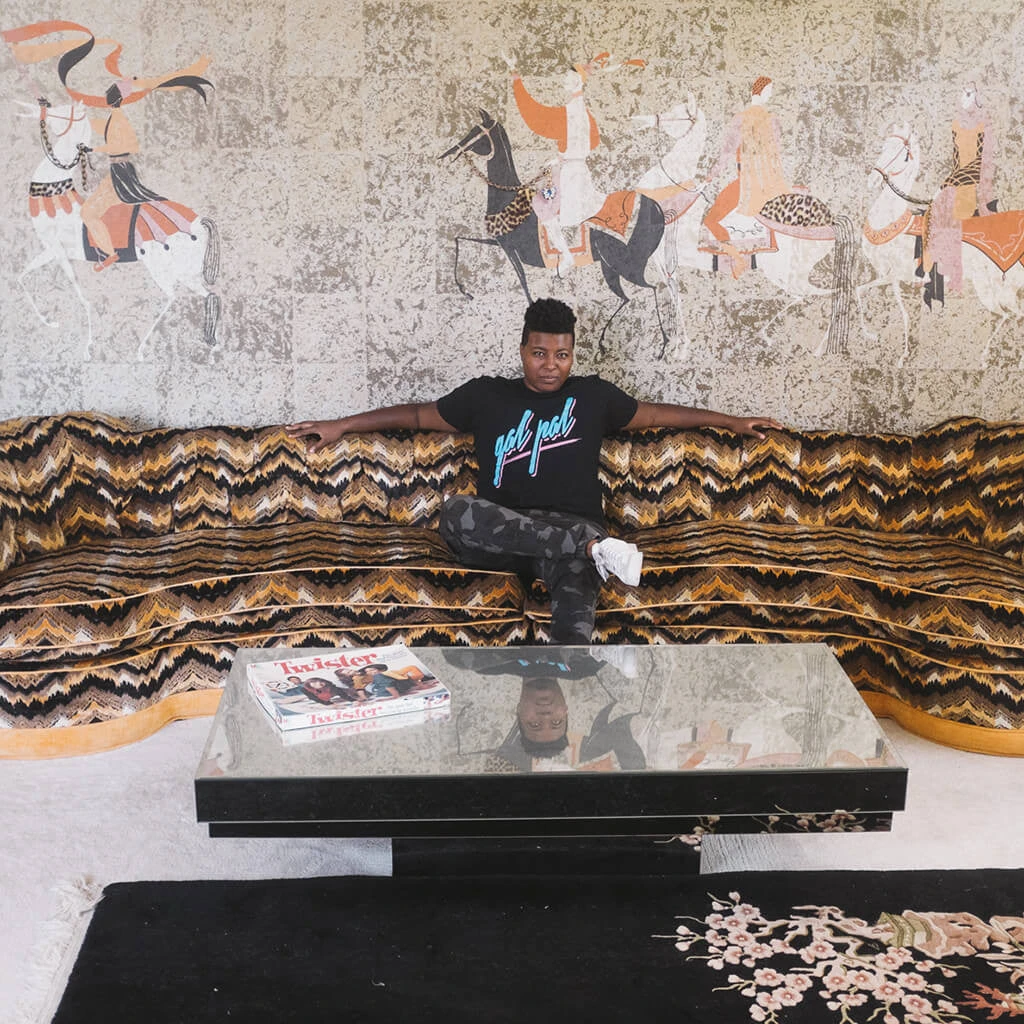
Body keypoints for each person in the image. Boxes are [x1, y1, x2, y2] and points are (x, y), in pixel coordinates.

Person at [286, 298, 781, 645]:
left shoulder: (592, 396)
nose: (550, 366)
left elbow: (656, 414)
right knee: (457, 512)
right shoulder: (487, 395)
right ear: (522, 350)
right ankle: (591, 550)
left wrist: (732, 422)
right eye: (540, 354)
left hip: (571, 528)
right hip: (502, 536)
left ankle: (564, 685)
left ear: (572, 356)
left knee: (575, 612)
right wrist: (340, 425)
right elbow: (416, 415)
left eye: (562, 355)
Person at [704, 75, 789, 270]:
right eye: (769, 91)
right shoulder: (772, 120)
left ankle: (736, 258)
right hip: (771, 184)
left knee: (710, 220)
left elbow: (726, 154)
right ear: (761, 91)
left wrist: (710, 176)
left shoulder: (741, 119)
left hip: (747, 184)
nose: (771, 95)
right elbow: (776, 156)